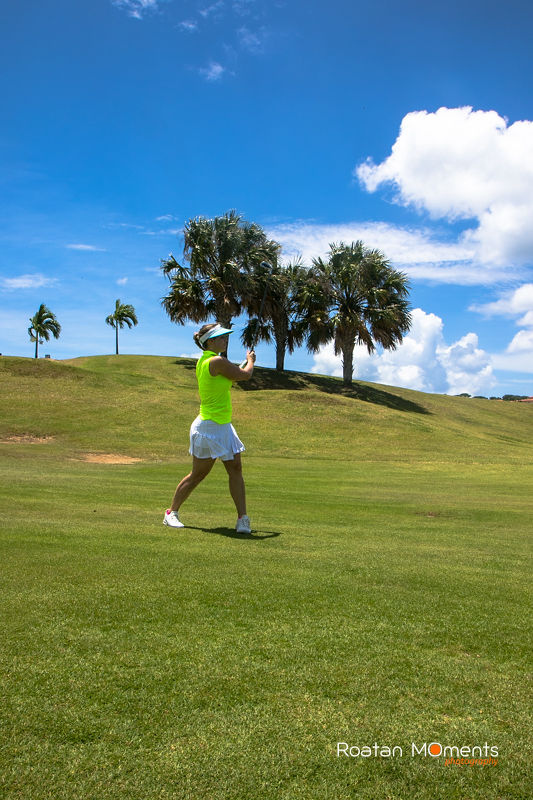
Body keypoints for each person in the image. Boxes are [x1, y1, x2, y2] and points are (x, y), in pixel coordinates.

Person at [164, 322, 256, 533]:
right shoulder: (215, 360)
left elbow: (232, 376)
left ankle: (243, 519)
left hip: (224, 426)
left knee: (235, 469)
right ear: (211, 341)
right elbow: (245, 375)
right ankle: (171, 513)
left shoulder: (211, 361)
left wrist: (240, 367)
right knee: (198, 474)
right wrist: (250, 361)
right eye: (222, 337)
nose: (226, 340)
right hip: (208, 428)